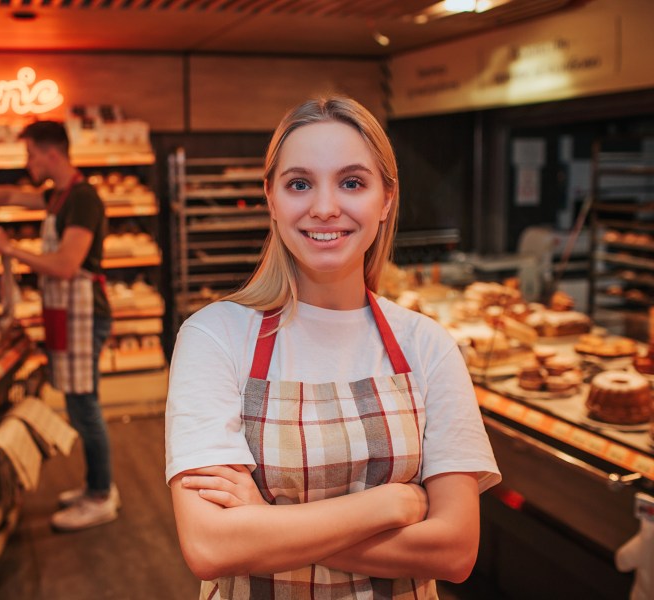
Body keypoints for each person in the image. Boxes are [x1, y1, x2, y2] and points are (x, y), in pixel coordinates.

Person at [165, 97, 501, 599]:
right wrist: (392, 506)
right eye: (300, 184)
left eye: (352, 182)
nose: (324, 207)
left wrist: (266, 522)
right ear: (271, 199)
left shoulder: (427, 345)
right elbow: (211, 547)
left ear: (386, 198)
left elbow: (454, 552)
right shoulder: (213, 336)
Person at [0, 121, 119, 531]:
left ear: (52, 154)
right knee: (77, 402)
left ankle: (101, 495)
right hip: (66, 311)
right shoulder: (57, 196)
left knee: (84, 406)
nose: (27, 162)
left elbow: (65, 265)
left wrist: (9, 249)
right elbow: (4, 195)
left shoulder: (83, 199)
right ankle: (95, 485)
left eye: (30, 154)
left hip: (85, 311)